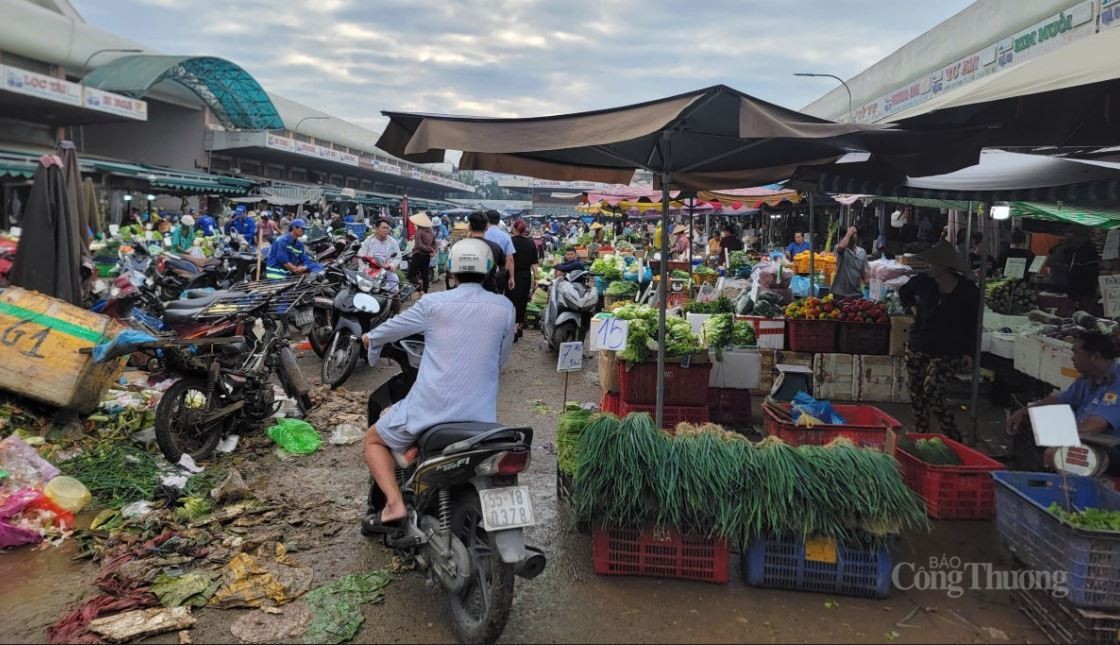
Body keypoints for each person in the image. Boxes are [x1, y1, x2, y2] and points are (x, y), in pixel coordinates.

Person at [359, 238, 514, 533]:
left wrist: (369, 339)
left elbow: (394, 327)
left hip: (431, 410)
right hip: (481, 418)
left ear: (451, 271)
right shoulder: (505, 308)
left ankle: (393, 504)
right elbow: (500, 358)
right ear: (489, 270)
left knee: (373, 440)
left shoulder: (433, 304)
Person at [899, 241, 980, 439]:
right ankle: (921, 437)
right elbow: (904, 293)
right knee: (917, 394)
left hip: (949, 349)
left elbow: (972, 323)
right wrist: (912, 309)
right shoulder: (923, 282)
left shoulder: (968, 291)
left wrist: (969, 351)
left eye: (932, 263)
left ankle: (952, 437)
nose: (928, 266)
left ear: (945, 265)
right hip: (919, 343)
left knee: (932, 390)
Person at [1008, 331, 1120, 472]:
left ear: (1095, 356)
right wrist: (1026, 410)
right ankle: (1037, 471)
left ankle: (1053, 475)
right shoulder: (1088, 377)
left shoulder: (1117, 382)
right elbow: (1061, 398)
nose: (1073, 358)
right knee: (1032, 420)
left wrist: (1063, 445)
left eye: (1077, 353)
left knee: (1066, 454)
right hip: (1084, 437)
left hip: (1109, 448)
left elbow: (1096, 424)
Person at [359, 219, 403, 307]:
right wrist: (364, 267)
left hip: (386, 270)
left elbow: (398, 257)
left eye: (387, 228)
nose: (386, 230)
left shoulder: (393, 242)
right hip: (369, 270)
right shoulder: (368, 241)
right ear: (376, 228)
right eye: (383, 228)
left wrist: (392, 265)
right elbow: (361, 255)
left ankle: (396, 311)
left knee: (394, 289)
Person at [508, 219, 540, 341]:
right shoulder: (531, 243)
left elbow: (508, 260)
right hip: (526, 275)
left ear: (514, 229)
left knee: (512, 301)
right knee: (522, 302)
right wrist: (536, 278)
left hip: (512, 275)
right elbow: (534, 263)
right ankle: (520, 326)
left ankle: (514, 329)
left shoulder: (510, 241)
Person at [468, 211, 506, 293]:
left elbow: (450, 271)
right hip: (489, 289)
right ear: (486, 227)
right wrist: (493, 276)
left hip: (467, 292)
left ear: (469, 227)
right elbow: (503, 268)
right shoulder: (496, 247)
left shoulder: (460, 247)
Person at [1066, 227, 1101, 312]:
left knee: (1083, 311)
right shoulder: (1076, 249)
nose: (1071, 238)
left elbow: (1090, 271)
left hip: (1084, 289)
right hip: (1077, 288)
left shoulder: (1089, 249)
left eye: (1073, 236)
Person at [831, 226, 868, 298]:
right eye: (851, 234)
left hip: (856, 294)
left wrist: (868, 283)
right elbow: (841, 247)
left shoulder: (862, 252)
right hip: (840, 294)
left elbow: (864, 273)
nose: (853, 235)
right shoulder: (840, 248)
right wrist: (849, 233)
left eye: (855, 233)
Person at [484, 210, 516, 294]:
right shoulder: (506, 236)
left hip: (482, 274)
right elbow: (510, 259)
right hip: (500, 275)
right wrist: (512, 277)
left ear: (486, 220)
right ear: (498, 221)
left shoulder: (482, 235)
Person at [407, 212, 436, 298]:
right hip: (427, 256)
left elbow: (419, 245)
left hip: (418, 255)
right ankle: (425, 293)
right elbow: (434, 243)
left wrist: (429, 249)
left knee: (410, 275)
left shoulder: (419, 231)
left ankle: (421, 291)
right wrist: (432, 250)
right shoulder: (430, 231)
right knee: (425, 275)